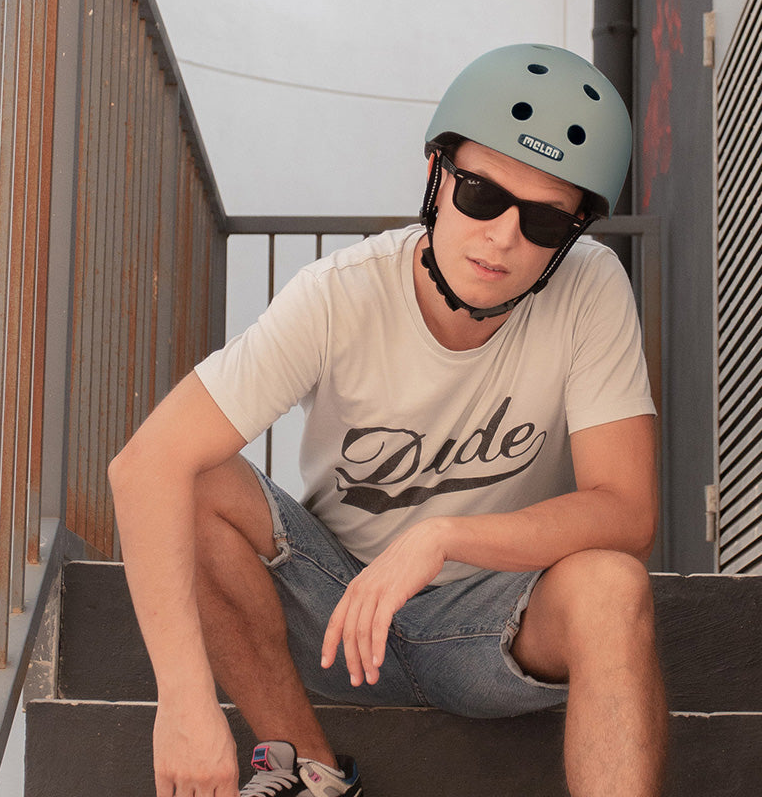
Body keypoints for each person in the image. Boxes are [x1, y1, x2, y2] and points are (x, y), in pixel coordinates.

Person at [109, 43, 668, 797]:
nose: (502, 236)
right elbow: (143, 465)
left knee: (612, 585)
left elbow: (626, 510)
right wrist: (184, 706)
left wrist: (441, 539)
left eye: (543, 223)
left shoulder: (592, 289)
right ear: (435, 177)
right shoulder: (338, 294)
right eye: (479, 195)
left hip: (495, 620)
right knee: (198, 469)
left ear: (570, 238)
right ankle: (310, 773)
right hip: (335, 613)